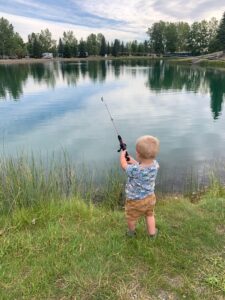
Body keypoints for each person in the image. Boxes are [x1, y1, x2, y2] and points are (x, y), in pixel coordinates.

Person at [120, 135, 160, 238]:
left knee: (131, 218)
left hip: (135, 200)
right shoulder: (155, 165)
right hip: (150, 198)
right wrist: (133, 161)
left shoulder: (134, 170)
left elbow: (124, 166)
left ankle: (131, 233)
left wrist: (122, 156)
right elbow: (142, 166)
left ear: (138, 154)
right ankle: (152, 233)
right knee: (150, 215)